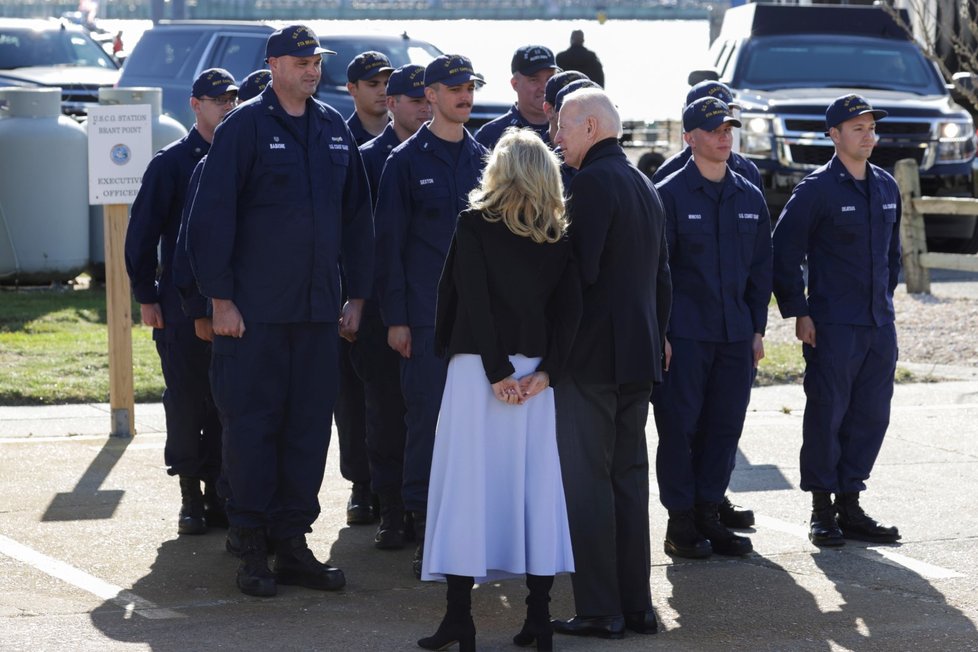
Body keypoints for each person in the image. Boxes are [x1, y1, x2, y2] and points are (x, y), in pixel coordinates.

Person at [186, 24, 374, 597]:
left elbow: (357, 220)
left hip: (317, 314)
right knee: (252, 426)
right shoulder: (244, 127)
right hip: (255, 316)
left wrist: (357, 296)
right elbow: (209, 218)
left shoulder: (331, 129)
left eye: (315, 60)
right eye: (299, 61)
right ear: (273, 66)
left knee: (307, 428)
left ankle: (292, 542)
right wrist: (220, 300)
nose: (311, 69)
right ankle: (249, 543)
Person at [418, 127, 581, 652]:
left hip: (479, 374)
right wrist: (548, 370)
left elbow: (469, 300)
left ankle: (460, 619)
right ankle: (539, 618)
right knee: (535, 488)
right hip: (534, 375)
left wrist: (493, 372)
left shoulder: (474, 224)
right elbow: (570, 310)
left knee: (466, 488)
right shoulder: (557, 233)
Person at [550, 87, 671, 639]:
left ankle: (602, 609)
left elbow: (579, 274)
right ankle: (637, 605)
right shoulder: (643, 182)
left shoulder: (593, 183)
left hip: (593, 358)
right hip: (637, 355)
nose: (557, 138)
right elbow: (662, 276)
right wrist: (659, 335)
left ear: (592, 127)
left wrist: (550, 351)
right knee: (626, 480)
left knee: (588, 483)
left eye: (563, 128)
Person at [373, 54, 489, 578]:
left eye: (470, 87)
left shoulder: (487, 160)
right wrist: (396, 318)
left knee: (477, 425)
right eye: (455, 87)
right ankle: (422, 524)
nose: (465, 95)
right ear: (432, 95)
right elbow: (389, 247)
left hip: (480, 321)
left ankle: (474, 526)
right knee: (427, 423)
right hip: (423, 317)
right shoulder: (404, 162)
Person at [772, 94, 902, 548]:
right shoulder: (815, 191)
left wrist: (884, 304)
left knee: (871, 415)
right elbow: (783, 255)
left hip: (877, 325)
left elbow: (892, 256)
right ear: (834, 135)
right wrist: (799, 312)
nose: (868, 136)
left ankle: (851, 502)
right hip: (832, 325)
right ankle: (822, 509)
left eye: (871, 128)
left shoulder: (886, 186)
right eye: (858, 129)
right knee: (828, 414)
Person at [651, 97, 772, 559]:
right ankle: (680, 522)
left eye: (728, 129)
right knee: (680, 428)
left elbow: (761, 269)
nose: (725, 136)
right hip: (685, 335)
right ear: (690, 138)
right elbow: (657, 272)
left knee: (724, 427)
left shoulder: (748, 195)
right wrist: (660, 332)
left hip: (735, 335)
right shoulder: (670, 194)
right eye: (714, 129)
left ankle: (708, 513)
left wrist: (756, 328)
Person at [124, 68, 236, 538]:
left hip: (230, 304)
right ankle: (191, 494)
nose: (227, 106)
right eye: (218, 100)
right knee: (189, 403)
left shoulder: (240, 158)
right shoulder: (171, 163)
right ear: (196, 104)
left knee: (228, 403)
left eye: (232, 99)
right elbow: (141, 236)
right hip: (178, 306)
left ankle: (221, 493)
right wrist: (147, 297)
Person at [355, 63, 429, 550]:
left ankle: (423, 507)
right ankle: (391, 507)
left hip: (428, 308)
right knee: (383, 412)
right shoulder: (367, 159)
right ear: (393, 104)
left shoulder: (443, 155)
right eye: (414, 99)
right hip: (382, 308)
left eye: (430, 98)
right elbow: (357, 237)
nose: (424, 107)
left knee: (426, 415)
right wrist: (356, 301)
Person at [338, 50, 395, 527]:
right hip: (356, 293)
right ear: (351, 89)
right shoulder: (340, 139)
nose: (381, 90)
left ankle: (397, 487)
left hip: (396, 293)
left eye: (386, 82)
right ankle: (361, 486)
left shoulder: (410, 142)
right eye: (370, 82)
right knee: (354, 399)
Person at [652, 81, 762, 192]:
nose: (724, 117)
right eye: (714, 110)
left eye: (728, 111)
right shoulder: (668, 173)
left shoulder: (748, 171)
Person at [474, 45, 559, 149]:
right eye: (534, 80)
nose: (544, 87)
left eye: (550, 79)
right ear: (515, 84)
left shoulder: (571, 130)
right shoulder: (491, 135)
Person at [346, 50, 394, 145]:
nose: (383, 92)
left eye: (387, 83)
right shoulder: (340, 137)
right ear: (352, 89)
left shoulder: (407, 134)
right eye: (373, 84)